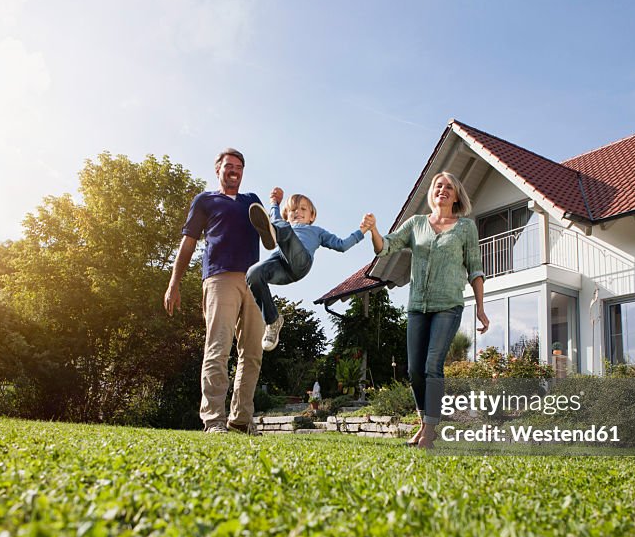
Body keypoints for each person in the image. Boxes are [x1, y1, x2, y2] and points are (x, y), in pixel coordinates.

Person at [365, 171, 489, 449]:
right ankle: (424, 424)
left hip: (448, 306)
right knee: (414, 370)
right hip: (418, 306)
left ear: (456, 196)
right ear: (431, 193)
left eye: (448, 187)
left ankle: (430, 432)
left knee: (433, 365)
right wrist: (373, 230)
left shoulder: (465, 227)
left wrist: (481, 308)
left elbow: (475, 269)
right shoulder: (416, 224)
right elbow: (385, 247)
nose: (442, 190)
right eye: (438, 186)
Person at [163, 148, 264, 435]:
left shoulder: (252, 202)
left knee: (253, 352)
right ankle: (214, 420)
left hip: (255, 281)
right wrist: (174, 283)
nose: (234, 170)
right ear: (218, 169)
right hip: (220, 279)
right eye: (229, 166)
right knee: (219, 348)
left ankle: (241, 420)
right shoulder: (206, 200)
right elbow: (188, 243)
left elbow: (272, 233)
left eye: (239, 166)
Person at [247, 192, 372, 350]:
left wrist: (361, 231)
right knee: (253, 274)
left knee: (281, 226)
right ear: (288, 215)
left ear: (311, 216)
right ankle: (272, 321)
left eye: (303, 209)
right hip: (279, 266)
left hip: (301, 263)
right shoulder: (285, 223)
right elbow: (275, 216)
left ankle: (274, 233)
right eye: (292, 210)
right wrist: (274, 202)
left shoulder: (317, 232)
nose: (297, 212)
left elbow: (341, 245)